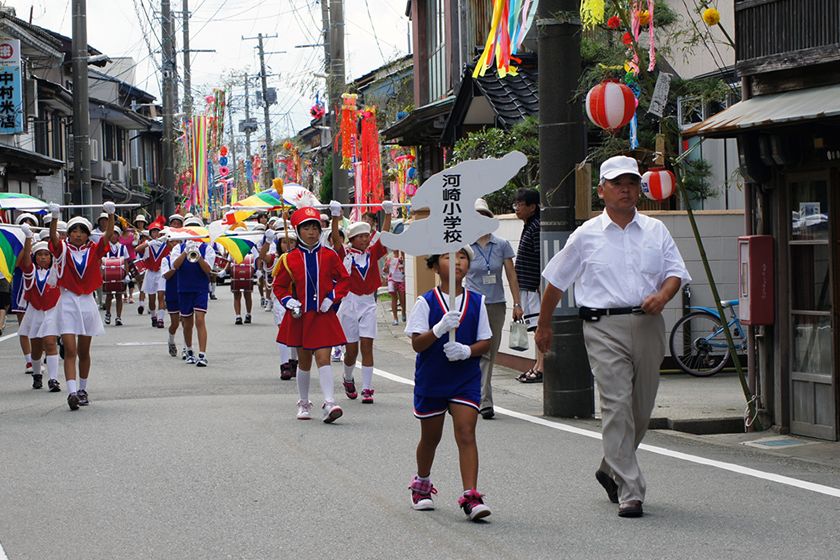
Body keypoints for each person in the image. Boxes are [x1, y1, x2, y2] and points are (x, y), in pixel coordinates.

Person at [535, 155, 691, 518]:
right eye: (618, 183)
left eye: (632, 183)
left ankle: (610, 467)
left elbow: (675, 274)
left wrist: (663, 296)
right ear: (601, 190)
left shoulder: (656, 230)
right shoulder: (586, 234)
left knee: (640, 409)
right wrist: (544, 325)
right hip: (603, 327)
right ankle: (631, 490)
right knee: (616, 405)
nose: (626, 189)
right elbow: (556, 282)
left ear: (640, 189)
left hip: (649, 323)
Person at [405, 248, 492, 521]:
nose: (457, 261)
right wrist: (439, 329)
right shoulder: (426, 302)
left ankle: (471, 495)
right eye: (447, 256)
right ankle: (422, 483)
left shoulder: (477, 301)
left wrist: (467, 351)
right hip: (433, 378)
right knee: (431, 438)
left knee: (466, 432)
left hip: (464, 379)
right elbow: (418, 344)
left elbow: (486, 341)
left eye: (462, 257)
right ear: (434, 266)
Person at [273, 206, 350, 423]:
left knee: (323, 357)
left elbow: (344, 279)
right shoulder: (289, 259)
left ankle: (329, 402)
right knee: (304, 361)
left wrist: (332, 297)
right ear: (298, 230)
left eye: (315, 227)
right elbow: (279, 287)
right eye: (306, 228)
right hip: (300, 316)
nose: (312, 232)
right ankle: (304, 402)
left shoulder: (330, 255)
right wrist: (290, 301)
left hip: (323, 314)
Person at [48, 201, 115, 410]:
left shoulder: (94, 250)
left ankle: (83, 388)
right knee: (70, 349)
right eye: (74, 231)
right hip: (67, 300)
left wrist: (111, 215)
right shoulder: (63, 249)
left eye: (82, 231)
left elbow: (107, 236)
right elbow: (52, 238)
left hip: (87, 301)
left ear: (88, 234)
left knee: (84, 351)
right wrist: (55, 217)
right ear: (68, 233)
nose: (77, 234)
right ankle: (72, 392)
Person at [330, 199, 393, 404]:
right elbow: (336, 242)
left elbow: (384, 237)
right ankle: (348, 377)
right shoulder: (345, 254)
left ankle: (367, 388)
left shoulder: (372, 254)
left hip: (368, 303)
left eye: (367, 236)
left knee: (367, 345)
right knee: (352, 350)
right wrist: (335, 217)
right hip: (349, 304)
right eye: (361, 237)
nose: (366, 240)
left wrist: (388, 214)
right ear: (353, 239)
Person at [466, 197, 524, 419]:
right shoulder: (463, 244)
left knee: (489, 353)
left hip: (495, 305)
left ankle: (483, 399)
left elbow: (511, 274)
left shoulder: (501, 245)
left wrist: (517, 303)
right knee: (473, 352)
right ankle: (479, 397)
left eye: (484, 215)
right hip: (472, 306)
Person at [16, 226, 62, 392]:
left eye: (46, 255)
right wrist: (28, 237)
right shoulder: (31, 272)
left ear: (51, 257)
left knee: (50, 344)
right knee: (36, 348)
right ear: (35, 257)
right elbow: (26, 262)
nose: (43, 258)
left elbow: (60, 252)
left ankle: (54, 379)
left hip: (52, 312)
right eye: (40, 255)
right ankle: (37, 374)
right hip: (35, 312)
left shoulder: (56, 271)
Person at [513, 188, 544, 384]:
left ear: (532, 207)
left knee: (539, 328)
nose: (516, 208)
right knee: (535, 329)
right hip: (528, 286)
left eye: (520, 204)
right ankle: (537, 364)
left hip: (534, 287)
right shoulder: (529, 226)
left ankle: (541, 367)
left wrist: (542, 285)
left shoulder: (536, 227)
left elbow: (542, 259)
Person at [170, 234, 215, 367]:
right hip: (184, 288)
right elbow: (175, 266)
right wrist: (185, 252)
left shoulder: (207, 248)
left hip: (200, 288)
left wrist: (198, 256)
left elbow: (208, 269)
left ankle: (202, 354)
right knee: (187, 322)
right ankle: (189, 350)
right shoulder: (179, 247)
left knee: (200, 319)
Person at [263, 227, 299, 380]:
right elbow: (262, 256)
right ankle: (284, 365)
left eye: (291, 242)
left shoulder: (301, 257)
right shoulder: (275, 258)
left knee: (296, 333)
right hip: (280, 299)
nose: (288, 245)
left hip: (298, 299)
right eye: (284, 242)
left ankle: (294, 363)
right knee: (283, 331)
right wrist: (267, 241)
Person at [12, 212, 38, 375]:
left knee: (39, 322)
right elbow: (18, 263)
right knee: (24, 326)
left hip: (38, 283)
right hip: (21, 283)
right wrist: (25, 242)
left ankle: (40, 355)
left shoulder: (40, 241)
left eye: (30, 223)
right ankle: (29, 360)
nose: (27, 225)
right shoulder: (15, 245)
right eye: (23, 223)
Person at [136, 219, 170, 328]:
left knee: (161, 296)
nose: (155, 234)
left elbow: (173, 251)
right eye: (153, 231)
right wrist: (148, 243)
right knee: (151, 299)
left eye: (157, 231)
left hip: (161, 273)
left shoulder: (165, 244)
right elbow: (137, 249)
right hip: (150, 273)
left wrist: (167, 240)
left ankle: (161, 319)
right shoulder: (148, 244)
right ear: (150, 233)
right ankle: (154, 316)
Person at [159, 237, 182, 358]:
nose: (175, 244)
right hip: (172, 292)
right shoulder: (165, 259)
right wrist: (175, 265)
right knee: (175, 323)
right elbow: (166, 276)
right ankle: (171, 340)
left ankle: (186, 347)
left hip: (185, 291)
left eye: (177, 241)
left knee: (187, 322)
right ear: (168, 244)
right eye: (172, 242)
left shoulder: (186, 257)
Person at [103, 226, 129, 326]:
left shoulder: (123, 247)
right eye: (112, 234)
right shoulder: (105, 246)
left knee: (119, 295)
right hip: (108, 274)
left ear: (118, 236)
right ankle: (108, 313)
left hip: (119, 274)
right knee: (109, 295)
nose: (113, 236)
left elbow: (126, 261)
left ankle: (118, 317)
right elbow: (101, 260)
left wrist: (126, 274)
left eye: (116, 234)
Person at [384, 249, 406, 325]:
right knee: (394, 298)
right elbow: (385, 270)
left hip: (401, 280)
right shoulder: (389, 257)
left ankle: (404, 312)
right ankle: (395, 319)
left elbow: (405, 267)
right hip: (392, 279)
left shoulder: (402, 255)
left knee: (402, 299)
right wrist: (386, 268)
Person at [133, 214, 149, 313]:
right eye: (138, 222)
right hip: (138, 258)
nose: (140, 223)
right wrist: (137, 237)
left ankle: (146, 305)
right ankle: (141, 304)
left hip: (148, 259)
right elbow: (134, 245)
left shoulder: (148, 233)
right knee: (141, 283)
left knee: (148, 284)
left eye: (141, 222)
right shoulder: (134, 233)